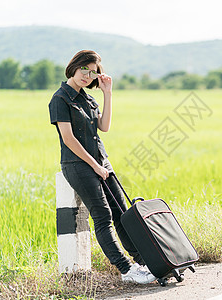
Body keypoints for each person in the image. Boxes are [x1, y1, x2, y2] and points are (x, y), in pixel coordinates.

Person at [48, 50, 156, 284]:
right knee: (103, 216)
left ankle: (143, 263)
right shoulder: (60, 98)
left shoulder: (87, 98)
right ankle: (126, 270)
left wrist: (107, 94)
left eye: (93, 72)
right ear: (74, 67)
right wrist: (95, 166)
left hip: (101, 161)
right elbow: (68, 139)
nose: (87, 76)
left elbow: (104, 126)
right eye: (84, 70)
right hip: (78, 164)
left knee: (122, 214)